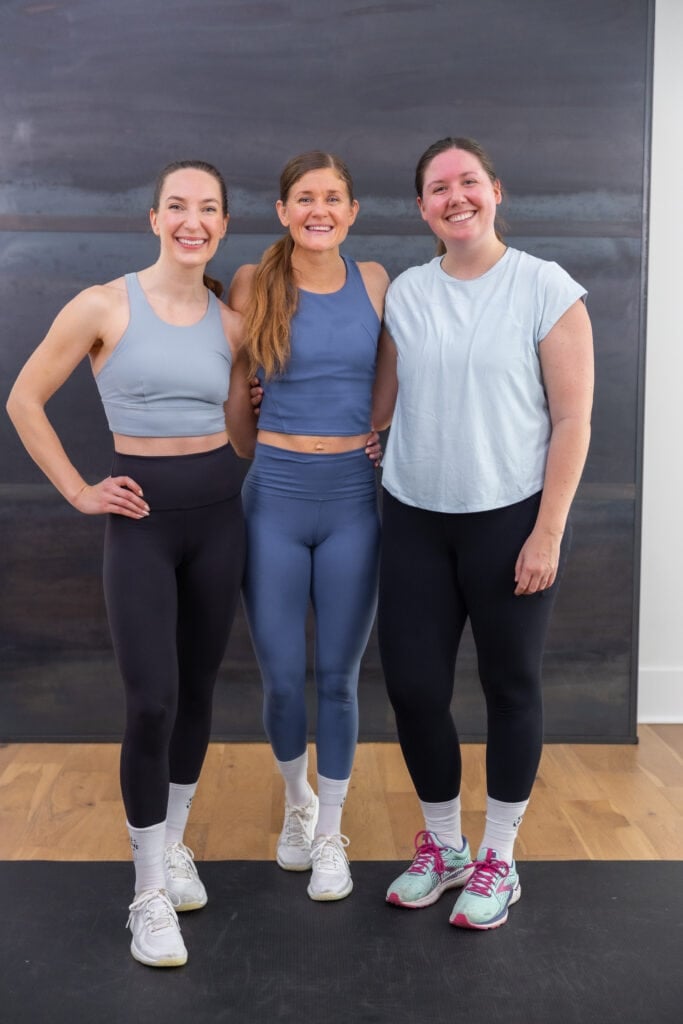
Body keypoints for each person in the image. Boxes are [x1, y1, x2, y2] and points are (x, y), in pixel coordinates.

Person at [6, 160, 250, 966]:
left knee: (198, 690)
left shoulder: (231, 323)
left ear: (222, 223)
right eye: (177, 207)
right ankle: (146, 893)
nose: (192, 221)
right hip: (141, 526)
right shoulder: (104, 304)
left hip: (220, 519)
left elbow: (245, 432)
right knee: (151, 702)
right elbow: (23, 398)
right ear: (153, 219)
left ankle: (172, 848)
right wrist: (79, 489)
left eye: (207, 209)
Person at [372, 137, 594, 929]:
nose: (455, 196)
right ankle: (444, 848)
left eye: (468, 181)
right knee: (414, 691)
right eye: (438, 187)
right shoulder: (406, 290)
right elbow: (384, 403)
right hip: (412, 520)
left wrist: (548, 533)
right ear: (422, 207)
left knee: (509, 690)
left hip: (508, 521)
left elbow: (571, 419)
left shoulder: (544, 287)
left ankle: (499, 856)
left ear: (495, 190)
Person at [227, 150, 389, 902]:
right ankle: (297, 808)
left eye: (332, 197)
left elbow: (387, 378)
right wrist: (247, 407)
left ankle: (329, 833)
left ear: (351, 212)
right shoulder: (255, 284)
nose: (318, 208)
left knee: (340, 679)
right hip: (276, 497)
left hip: (353, 495)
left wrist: (384, 430)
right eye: (303, 197)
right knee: (284, 677)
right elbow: (236, 426)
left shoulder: (377, 281)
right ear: (283, 211)